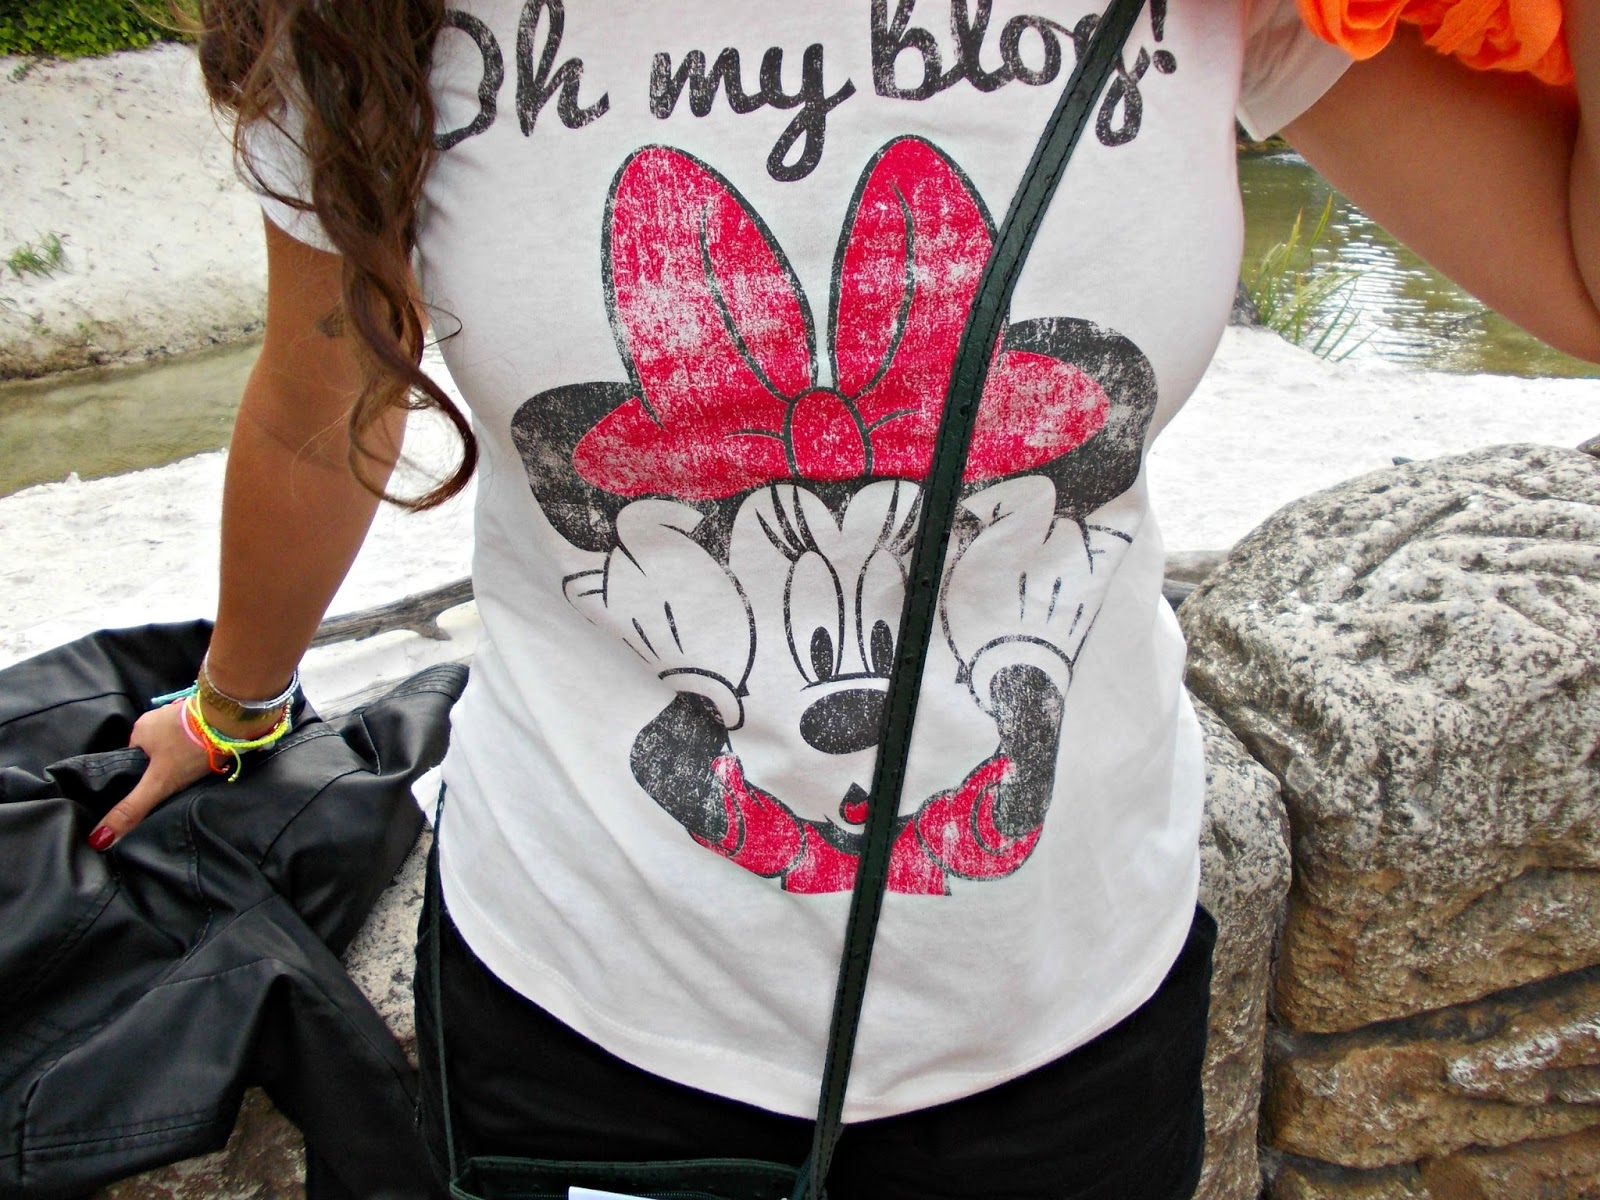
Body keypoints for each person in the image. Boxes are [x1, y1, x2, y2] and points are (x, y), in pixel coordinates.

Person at [95, 1, 1598, 1196]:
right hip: (591, 1004)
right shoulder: (366, 24)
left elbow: (1575, 288)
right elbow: (317, 407)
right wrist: (234, 707)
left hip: (1079, 1006)